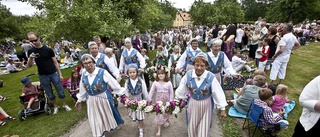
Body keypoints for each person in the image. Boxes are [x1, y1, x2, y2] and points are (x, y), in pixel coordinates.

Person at [175, 53, 227, 137]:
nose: (199, 68)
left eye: (202, 66)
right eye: (197, 65)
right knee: (192, 126)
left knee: (204, 129)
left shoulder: (211, 77)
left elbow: (218, 93)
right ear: (194, 65)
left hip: (206, 105)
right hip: (193, 104)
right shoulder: (188, 75)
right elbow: (181, 89)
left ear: (206, 66)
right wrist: (178, 100)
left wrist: (222, 109)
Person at [75, 54, 125, 137]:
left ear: (94, 62)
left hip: (103, 98)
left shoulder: (102, 72)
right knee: (94, 119)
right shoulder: (84, 74)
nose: (88, 65)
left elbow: (114, 84)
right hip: (91, 100)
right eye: (85, 63)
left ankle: (106, 128)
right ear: (83, 65)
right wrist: (79, 100)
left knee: (105, 116)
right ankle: (100, 134)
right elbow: (82, 88)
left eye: (90, 62)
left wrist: (122, 95)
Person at [26, 32, 72, 114]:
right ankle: (55, 106)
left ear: (39, 38)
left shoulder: (48, 50)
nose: (33, 42)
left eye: (35, 40)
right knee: (49, 93)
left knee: (60, 90)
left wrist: (60, 74)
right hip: (42, 75)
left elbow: (55, 63)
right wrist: (30, 58)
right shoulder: (31, 51)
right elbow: (29, 66)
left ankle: (64, 105)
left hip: (53, 73)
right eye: (31, 41)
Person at [124, 64, 150, 137]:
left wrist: (147, 100)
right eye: (130, 72)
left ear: (137, 72)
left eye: (134, 72)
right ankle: (139, 125)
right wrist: (126, 99)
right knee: (135, 114)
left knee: (140, 116)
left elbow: (144, 91)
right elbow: (126, 91)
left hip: (139, 100)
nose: (132, 74)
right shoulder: (127, 81)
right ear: (128, 73)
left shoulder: (141, 81)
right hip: (132, 100)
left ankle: (141, 129)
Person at [148, 66, 174, 136]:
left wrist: (171, 101)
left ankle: (167, 120)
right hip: (159, 100)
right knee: (159, 113)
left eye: (162, 74)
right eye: (159, 74)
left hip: (167, 100)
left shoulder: (168, 82)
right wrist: (149, 99)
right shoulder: (155, 82)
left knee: (166, 111)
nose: (160, 75)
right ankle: (159, 130)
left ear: (165, 74)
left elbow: (171, 92)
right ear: (157, 75)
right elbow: (151, 91)